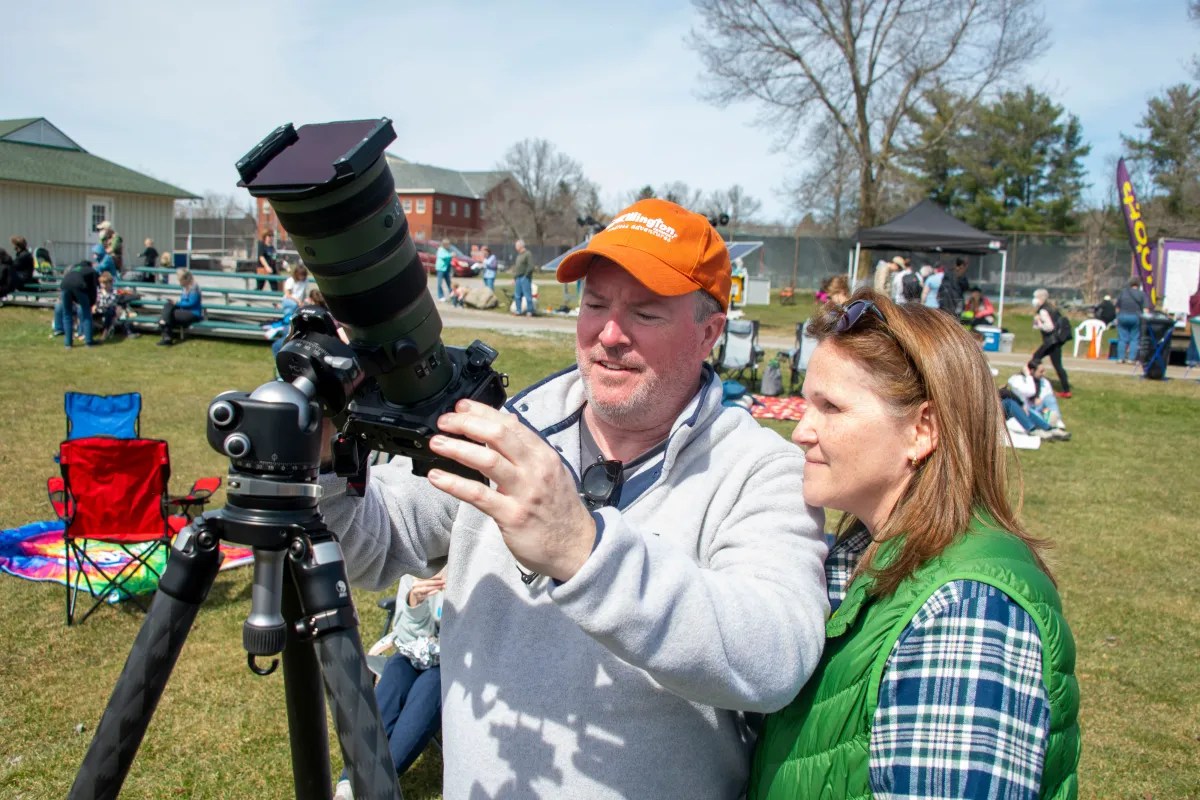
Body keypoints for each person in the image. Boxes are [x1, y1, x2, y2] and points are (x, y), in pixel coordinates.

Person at [317, 198, 829, 799]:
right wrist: (326, 462)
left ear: (709, 334)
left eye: (645, 313)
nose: (610, 335)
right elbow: (373, 548)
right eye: (594, 305)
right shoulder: (510, 428)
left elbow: (773, 658)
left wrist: (583, 551)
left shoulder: (758, 469)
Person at [748, 290, 1080, 798]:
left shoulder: (966, 615)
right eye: (806, 404)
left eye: (831, 408)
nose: (801, 432)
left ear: (922, 430)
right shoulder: (865, 556)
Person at [333, 570, 447, 800]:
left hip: (451, 663)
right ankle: (347, 785)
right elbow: (406, 636)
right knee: (394, 678)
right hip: (411, 651)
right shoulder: (418, 569)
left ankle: (373, 788)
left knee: (428, 690)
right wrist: (416, 603)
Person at [1031, 287, 1072, 398]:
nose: (1034, 300)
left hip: (1051, 341)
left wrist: (1039, 322)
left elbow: (1049, 327)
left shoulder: (1044, 310)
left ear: (1041, 298)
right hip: (1056, 341)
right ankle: (1066, 390)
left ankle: (1035, 383)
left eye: (1036, 297)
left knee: (1035, 359)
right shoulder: (1052, 307)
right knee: (1058, 366)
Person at [1008, 361, 1068, 434]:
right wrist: (1028, 376)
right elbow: (1031, 391)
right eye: (1041, 371)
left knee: (1050, 399)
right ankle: (1048, 425)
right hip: (1027, 409)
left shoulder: (1044, 381)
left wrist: (1041, 403)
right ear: (1032, 371)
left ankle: (1056, 422)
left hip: (1040, 409)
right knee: (1038, 417)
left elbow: (1048, 397)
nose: (1044, 374)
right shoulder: (1018, 380)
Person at [58, 258, 98, 348]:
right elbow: (93, 288)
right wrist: (92, 302)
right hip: (78, 285)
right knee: (86, 312)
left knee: (67, 314)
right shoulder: (91, 270)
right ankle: (88, 341)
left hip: (64, 284)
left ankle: (68, 343)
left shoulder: (74, 269)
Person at [157, 269, 203, 346]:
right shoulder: (185, 288)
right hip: (184, 311)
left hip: (193, 313)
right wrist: (176, 303)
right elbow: (183, 302)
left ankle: (166, 335)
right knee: (168, 306)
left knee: (167, 315)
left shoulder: (194, 288)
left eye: (180, 280)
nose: (179, 282)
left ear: (185, 279)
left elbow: (191, 303)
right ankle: (166, 335)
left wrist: (177, 303)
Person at [1115, 279, 1146, 364]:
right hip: (1135, 317)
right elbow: (1146, 309)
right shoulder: (1141, 294)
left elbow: (1117, 307)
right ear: (1138, 285)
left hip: (1122, 316)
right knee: (1134, 339)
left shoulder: (1123, 293)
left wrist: (1117, 318)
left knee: (1122, 338)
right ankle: (1131, 359)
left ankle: (1120, 358)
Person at [511, 237, 535, 316]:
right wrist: (514, 278)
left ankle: (529, 311)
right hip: (518, 278)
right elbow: (517, 268)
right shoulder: (519, 255)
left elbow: (530, 266)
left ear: (521, 246)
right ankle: (518, 310)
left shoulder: (527, 254)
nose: (515, 247)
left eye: (516, 245)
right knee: (517, 295)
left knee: (527, 295)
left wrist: (526, 275)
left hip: (525, 278)